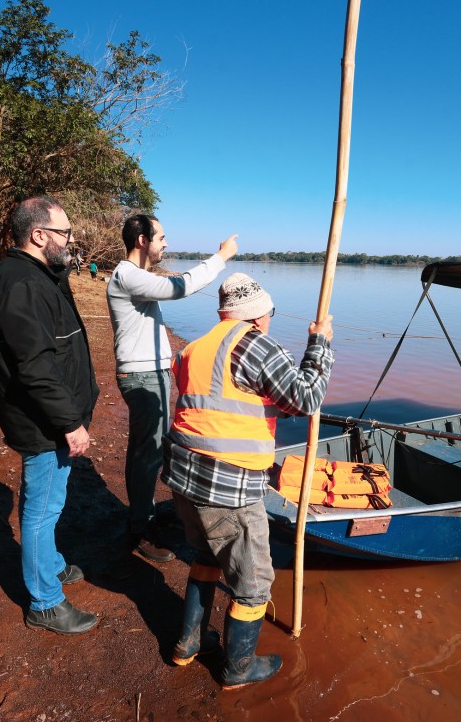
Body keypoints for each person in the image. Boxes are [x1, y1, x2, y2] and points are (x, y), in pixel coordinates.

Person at [161, 273, 334, 689]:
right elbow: (306, 399)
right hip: (229, 487)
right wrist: (320, 345)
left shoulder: (193, 348)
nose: (270, 320)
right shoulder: (256, 343)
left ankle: (189, 643)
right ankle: (238, 669)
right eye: (270, 313)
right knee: (254, 584)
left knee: (205, 558)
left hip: (184, 478)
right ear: (259, 315)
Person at [0, 196, 100, 635]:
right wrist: (70, 423)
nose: (71, 239)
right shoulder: (22, 284)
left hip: (49, 416)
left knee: (47, 500)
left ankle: (50, 564)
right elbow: (35, 366)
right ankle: (45, 603)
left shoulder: (38, 275)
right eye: (65, 232)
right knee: (41, 510)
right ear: (38, 235)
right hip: (43, 422)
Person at [106, 213, 238, 562]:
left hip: (148, 373)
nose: (166, 243)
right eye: (161, 237)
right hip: (143, 376)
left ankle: (142, 516)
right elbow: (181, 287)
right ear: (142, 241)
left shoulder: (136, 276)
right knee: (149, 454)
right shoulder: (129, 275)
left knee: (144, 453)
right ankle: (141, 528)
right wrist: (221, 258)